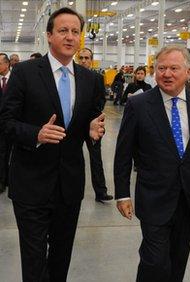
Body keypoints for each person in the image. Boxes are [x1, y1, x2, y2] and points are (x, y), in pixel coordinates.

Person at [0, 7, 105, 282]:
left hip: (69, 187)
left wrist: (92, 130)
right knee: (34, 263)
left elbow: (87, 124)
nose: (70, 37)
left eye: (75, 31)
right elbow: (5, 122)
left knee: (61, 259)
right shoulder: (24, 73)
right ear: (49, 35)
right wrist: (36, 134)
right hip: (31, 185)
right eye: (63, 31)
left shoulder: (91, 79)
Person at [114, 45, 190, 282]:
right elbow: (123, 154)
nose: (167, 74)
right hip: (153, 198)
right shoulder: (139, 105)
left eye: (174, 68)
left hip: (188, 199)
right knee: (154, 263)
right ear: (154, 72)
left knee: (178, 261)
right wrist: (122, 194)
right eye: (161, 68)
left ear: (188, 71)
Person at [78, 47, 113, 202]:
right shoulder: (71, 76)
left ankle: (101, 192)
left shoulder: (97, 78)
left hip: (93, 124)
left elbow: (101, 100)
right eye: (81, 58)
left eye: (87, 58)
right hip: (74, 126)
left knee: (96, 159)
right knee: (72, 158)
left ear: (91, 60)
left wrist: (94, 120)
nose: (84, 60)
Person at [0, 53, 11, 194]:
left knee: (13, 153)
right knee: (2, 152)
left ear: (7, 64)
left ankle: (10, 178)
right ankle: (2, 180)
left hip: (15, 123)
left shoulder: (17, 79)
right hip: (1, 125)